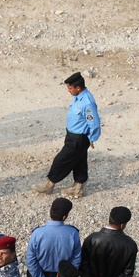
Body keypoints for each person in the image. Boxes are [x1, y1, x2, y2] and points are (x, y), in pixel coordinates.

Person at [31, 71, 101, 199]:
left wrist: (92, 137)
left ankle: (49, 185)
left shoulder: (87, 102)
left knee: (61, 160)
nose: (69, 90)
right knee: (79, 160)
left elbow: (94, 122)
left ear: (78, 88)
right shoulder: (78, 97)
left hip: (78, 138)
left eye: (70, 88)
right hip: (72, 136)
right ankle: (77, 188)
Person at [24, 198, 81, 277]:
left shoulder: (37, 233)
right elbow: (76, 259)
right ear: (64, 217)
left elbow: (30, 260)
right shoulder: (73, 233)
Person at [79, 206, 138, 277]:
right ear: (122, 225)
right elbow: (127, 272)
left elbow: (83, 264)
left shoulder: (92, 238)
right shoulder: (130, 244)